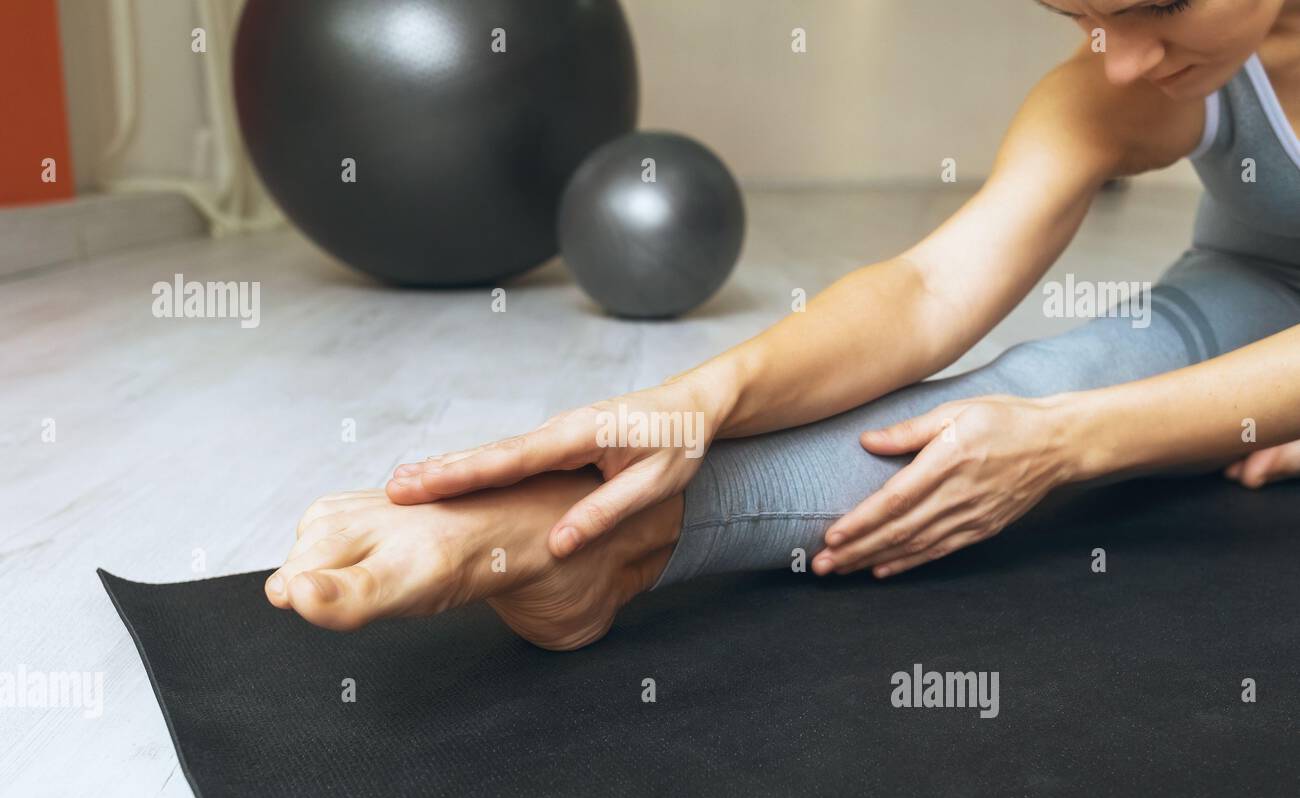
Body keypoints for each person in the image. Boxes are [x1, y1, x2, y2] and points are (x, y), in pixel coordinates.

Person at [266, 0, 1300, 648]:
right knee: (1014, 407)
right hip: (1262, 289)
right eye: (1085, 19)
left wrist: (1078, 444)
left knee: (1058, 433)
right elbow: (929, 291)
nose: (1120, 60)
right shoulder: (1132, 79)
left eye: (1159, 8)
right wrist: (700, 399)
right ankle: (595, 542)